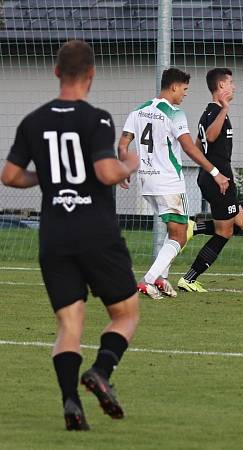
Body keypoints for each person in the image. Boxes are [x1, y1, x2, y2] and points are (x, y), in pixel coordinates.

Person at [1, 40, 141, 430]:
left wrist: (47, 180)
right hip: (95, 230)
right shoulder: (96, 119)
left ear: (55, 72)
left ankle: (70, 402)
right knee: (125, 315)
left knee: (69, 325)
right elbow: (106, 173)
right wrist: (130, 161)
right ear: (91, 74)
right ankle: (100, 370)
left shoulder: (33, 121)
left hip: (54, 235)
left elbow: (10, 176)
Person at [118, 68, 229, 299]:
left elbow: (122, 145)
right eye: (185, 89)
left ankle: (161, 278)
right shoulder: (174, 113)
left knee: (174, 231)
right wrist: (215, 172)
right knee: (180, 236)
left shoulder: (138, 111)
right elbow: (189, 148)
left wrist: (124, 168)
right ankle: (148, 280)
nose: (185, 94)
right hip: (169, 182)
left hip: (147, 181)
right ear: (174, 87)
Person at [177, 68, 243, 293]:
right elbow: (209, 137)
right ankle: (189, 278)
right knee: (224, 232)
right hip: (219, 180)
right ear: (220, 87)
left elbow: (198, 147)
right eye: (230, 82)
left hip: (219, 177)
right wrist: (214, 174)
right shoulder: (217, 111)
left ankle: (194, 227)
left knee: (241, 224)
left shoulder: (209, 112)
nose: (233, 86)